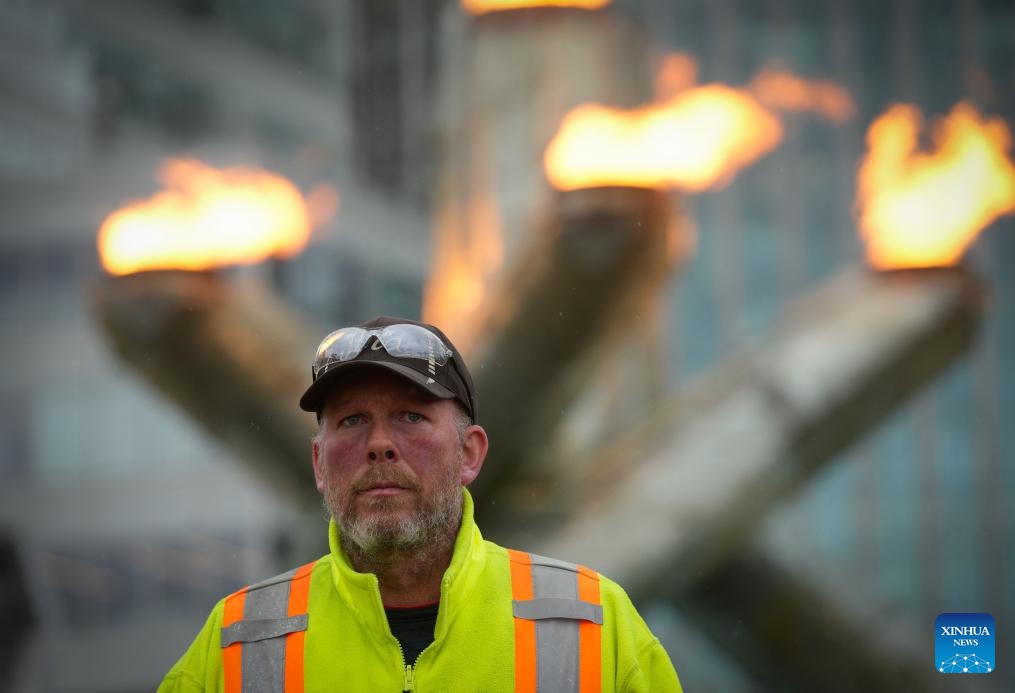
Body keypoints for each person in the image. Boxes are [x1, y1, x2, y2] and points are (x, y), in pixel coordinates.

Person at [159, 316, 682, 692]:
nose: (379, 443)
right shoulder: (238, 644)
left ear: (469, 454)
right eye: (352, 420)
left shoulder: (591, 623)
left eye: (411, 416)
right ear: (319, 464)